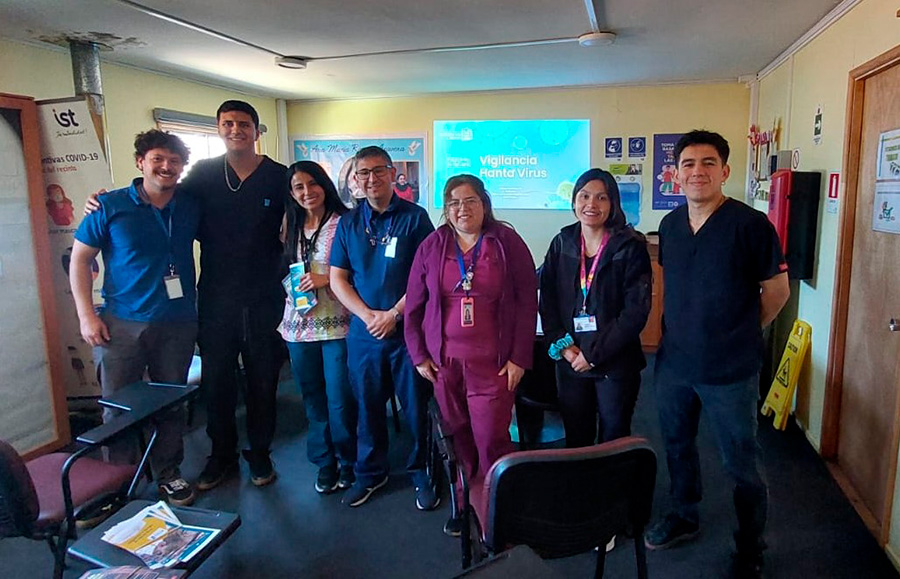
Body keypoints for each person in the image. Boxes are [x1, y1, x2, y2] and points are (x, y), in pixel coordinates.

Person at [643, 130, 790, 579]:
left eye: (708, 163)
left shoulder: (750, 225)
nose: (697, 172)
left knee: (741, 462)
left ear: (724, 171)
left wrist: (740, 331)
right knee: (677, 446)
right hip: (675, 365)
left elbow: (777, 292)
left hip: (730, 369)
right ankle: (684, 514)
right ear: (675, 174)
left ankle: (750, 547)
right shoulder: (670, 226)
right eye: (688, 164)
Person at [71, 130, 199, 506]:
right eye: (158, 159)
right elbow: (80, 260)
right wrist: (85, 315)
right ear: (141, 162)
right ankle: (117, 481)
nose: (166, 167)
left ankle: (168, 472)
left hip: (177, 322)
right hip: (120, 324)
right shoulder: (108, 206)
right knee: (118, 406)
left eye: (174, 161)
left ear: (182, 167)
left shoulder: (191, 204)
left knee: (171, 403)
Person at [405, 174, 537, 535]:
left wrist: (519, 357)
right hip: (444, 365)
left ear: (484, 204)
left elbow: (527, 302)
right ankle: (464, 502)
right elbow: (414, 306)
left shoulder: (506, 242)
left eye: (470, 201)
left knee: (491, 437)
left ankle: (497, 508)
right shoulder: (432, 246)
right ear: (446, 209)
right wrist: (418, 355)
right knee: (457, 435)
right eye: (454, 203)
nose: (462, 209)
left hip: (495, 365)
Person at [329, 145, 436, 509]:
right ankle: (371, 474)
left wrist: (394, 314)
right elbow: (338, 279)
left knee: (416, 407)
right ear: (355, 180)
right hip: (365, 334)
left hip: (408, 331)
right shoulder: (348, 223)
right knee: (367, 407)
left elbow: (428, 276)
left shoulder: (415, 218)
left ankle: (423, 471)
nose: (371, 179)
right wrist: (368, 316)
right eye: (363, 173)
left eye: (378, 171)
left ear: (392, 174)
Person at [188, 101, 287, 490]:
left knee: (263, 380)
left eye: (243, 124)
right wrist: (106, 199)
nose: (235, 130)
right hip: (216, 296)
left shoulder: (278, 176)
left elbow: (309, 215)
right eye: (227, 123)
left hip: (265, 295)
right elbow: (162, 198)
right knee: (217, 382)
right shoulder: (203, 173)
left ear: (256, 131)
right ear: (218, 129)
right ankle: (221, 456)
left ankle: (260, 454)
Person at [539, 168, 651, 449]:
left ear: (613, 203)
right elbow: (548, 301)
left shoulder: (630, 246)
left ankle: (612, 480)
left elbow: (635, 311)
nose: (592, 204)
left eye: (601, 197)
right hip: (571, 358)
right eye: (584, 196)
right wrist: (563, 346)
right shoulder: (562, 242)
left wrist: (593, 354)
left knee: (614, 438)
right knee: (577, 436)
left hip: (615, 361)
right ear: (574, 200)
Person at [279, 160, 357, 494]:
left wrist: (327, 279)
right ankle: (325, 462)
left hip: (338, 325)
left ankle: (348, 460)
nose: (307, 192)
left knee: (340, 398)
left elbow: (360, 269)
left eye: (312, 184)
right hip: (298, 327)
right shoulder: (290, 224)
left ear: (324, 185)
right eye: (298, 187)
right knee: (312, 399)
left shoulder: (345, 223)